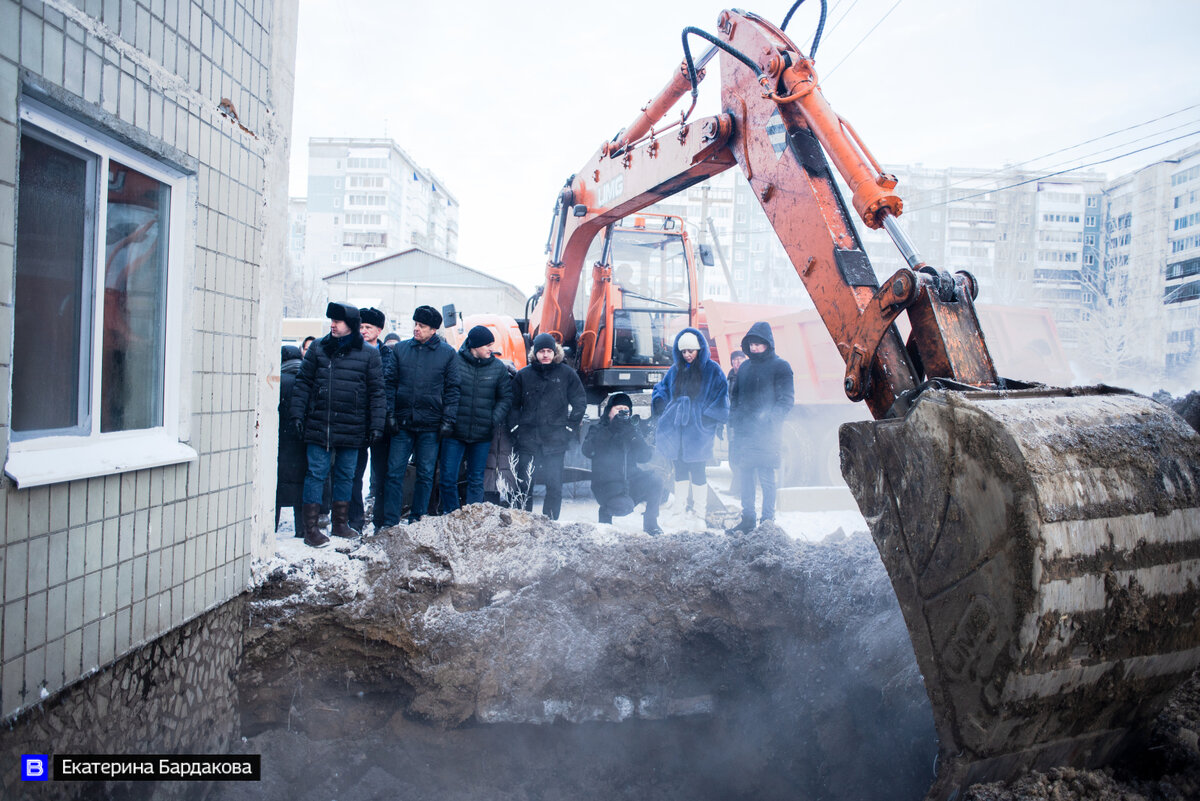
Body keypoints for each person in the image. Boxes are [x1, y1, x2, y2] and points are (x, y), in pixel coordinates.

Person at [289, 303, 385, 547]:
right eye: (331, 320)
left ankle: (340, 524)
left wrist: (377, 425)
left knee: (346, 475)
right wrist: (297, 414)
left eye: (338, 321)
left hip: (352, 427)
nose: (332, 324)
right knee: (316, 474)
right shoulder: (319, 349)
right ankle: (310, 529)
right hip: (320, 424)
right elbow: (303, 384)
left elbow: (377, 392)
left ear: (350, 325)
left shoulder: (369, 354)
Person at [382, 305, 460, 525]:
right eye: (415, 324)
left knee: (425, 474)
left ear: (433, 329)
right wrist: (390, 414)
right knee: (394, 472)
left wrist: (448, 420)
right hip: (403, 423)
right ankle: (390, 521)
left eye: (422, 326)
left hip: (431, 425)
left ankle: (417, 518)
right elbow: (389, 383)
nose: (416, 329)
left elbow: (453, 388)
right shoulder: (401, 350)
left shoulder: (447, 354)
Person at [651, 328, 728, 527]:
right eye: (684, 351)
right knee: (680, 470)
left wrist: (707, 419)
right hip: (678, 429)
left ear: (699, 349)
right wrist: (661, 402)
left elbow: (722, 395)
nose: (687, 355)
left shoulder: (712, 369)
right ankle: (679, 512)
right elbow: (662, 388)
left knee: (699, 471)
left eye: (691, 351)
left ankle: (699, 515)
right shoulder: (676, 369)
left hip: (699, 431)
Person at [508, 332, 586, 520]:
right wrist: (516, 428)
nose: (545, 355)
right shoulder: (523, 375)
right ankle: (523, 521)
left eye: (549, 351)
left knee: (554, 484)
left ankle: (550, 522)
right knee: (524, 483)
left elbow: (580, 401)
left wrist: (569, 427)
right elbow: (512, 404)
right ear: (535, 353)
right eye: (541, 351)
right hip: (528, 438)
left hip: (555, 439)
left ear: (555, 352)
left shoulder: (567, 374)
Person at [727, 321, 794, 533]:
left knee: (766, 478)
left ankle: (767, 522)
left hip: (767, 433)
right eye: (752, 344)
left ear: (768, 344)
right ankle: (747, 519)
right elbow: (735, 397)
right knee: (745, 476)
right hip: (745, 432)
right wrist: (734, 417)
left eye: (759, 344)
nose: (754, 348)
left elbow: (786, 400)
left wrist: (770, 419)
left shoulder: (781, 366)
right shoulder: (744, 367)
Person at [439, 325, 513, 512]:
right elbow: (444, 391)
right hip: (455, 432)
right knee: (448, 478)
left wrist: (491, 420)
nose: (491, 349)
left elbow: (506, 398)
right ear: (475, 346)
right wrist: (449, 418)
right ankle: (452, 515)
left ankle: (473, 518)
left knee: (476, 479)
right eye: (487, 345)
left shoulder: (497, 368)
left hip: (482, 433)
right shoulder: (454, 363)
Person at [582, 392, 663, 535]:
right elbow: (587, 450)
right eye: (618, 408)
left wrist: (633, 435)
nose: (622, 412)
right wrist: (611, 431)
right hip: (606, 484)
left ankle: (651, 523)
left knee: (655, 480)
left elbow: (645, 457)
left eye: (626, 410)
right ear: (609, 411)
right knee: (622, 507)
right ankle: (605, 514)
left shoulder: (631, 430)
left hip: (630, 480)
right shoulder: (598, 429)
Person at [349, 307, 393, 532]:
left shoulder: (389, 356)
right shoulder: (353, 352)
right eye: (361, 327)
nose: (363, 331)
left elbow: (390, 389)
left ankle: (380, 520)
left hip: (382, 424)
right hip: (356, 422)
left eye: (368, 327)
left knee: (381, 474)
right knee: (354, 474)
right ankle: (354, 520)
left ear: (379, 329)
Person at [276, 345, 307, 534]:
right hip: (301, 443)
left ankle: (271, 528)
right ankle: (301, 530)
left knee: (277, 488)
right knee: (301, 488)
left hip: (280, 443)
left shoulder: (276, 381)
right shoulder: (306, 382)